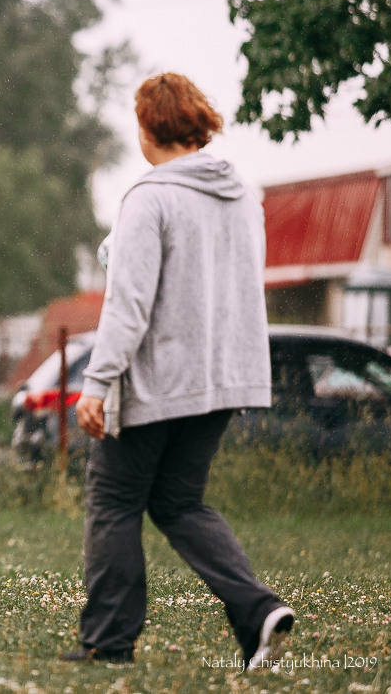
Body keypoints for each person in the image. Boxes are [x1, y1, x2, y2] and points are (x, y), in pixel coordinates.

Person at [59, 73, 293, 669]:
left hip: (160, 379)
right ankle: (258, 610)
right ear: (196, 124)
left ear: (149, 128)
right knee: (179, 503)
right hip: (224, 379)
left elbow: (129, 305)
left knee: (113, 501)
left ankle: (108, 642)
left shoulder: (149, 198)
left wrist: (97, 382)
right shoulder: (242, 196)